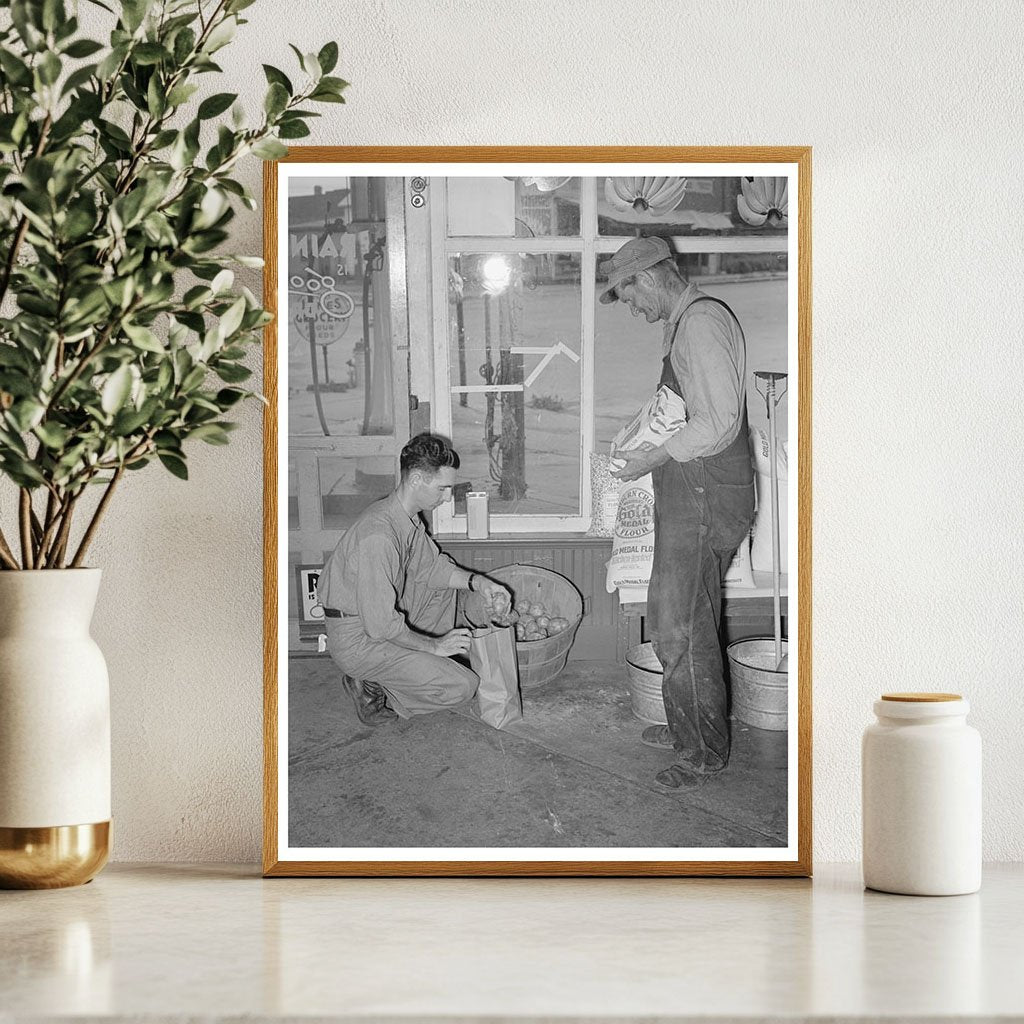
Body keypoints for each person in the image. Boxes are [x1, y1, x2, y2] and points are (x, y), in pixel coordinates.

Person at [600, 236, 755, 789]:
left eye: (628, 295)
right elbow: (692, 413)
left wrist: (652, 455)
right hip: (696, 494)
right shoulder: (687, 323)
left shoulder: (700, 325)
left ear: (649, 277)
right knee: (677, 619)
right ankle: (688, 724)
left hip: (706, 497)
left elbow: (718, 423)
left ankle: (703, 751)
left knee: (682, 627)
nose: (633, 309)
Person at [318, 433, 512, 725]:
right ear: (417, 479)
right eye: (442, 489)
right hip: (358, 641)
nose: (447, 497)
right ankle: (374, 689)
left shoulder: (405, 517)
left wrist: (480, 582)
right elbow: (381, 625)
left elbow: (434, 569)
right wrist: (436, 646)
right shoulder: (379, 535)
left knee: (443, 588)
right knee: (463, 686)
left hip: (373, 624)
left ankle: (407, 668)